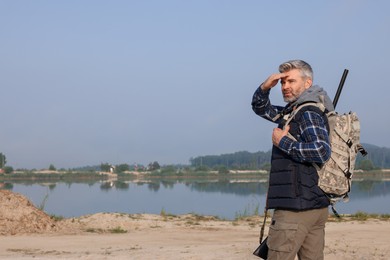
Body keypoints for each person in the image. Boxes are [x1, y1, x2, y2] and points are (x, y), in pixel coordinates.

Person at [251, 60, 334, 260]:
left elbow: (321, 150)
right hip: (313, 205)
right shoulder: (293, 112)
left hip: (295, 208)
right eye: (282, 82)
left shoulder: (307, 112)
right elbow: (261, 108)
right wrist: (264, 88)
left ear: (308, 83)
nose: (285, 86)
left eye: (291, 81)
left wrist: (283, 142)